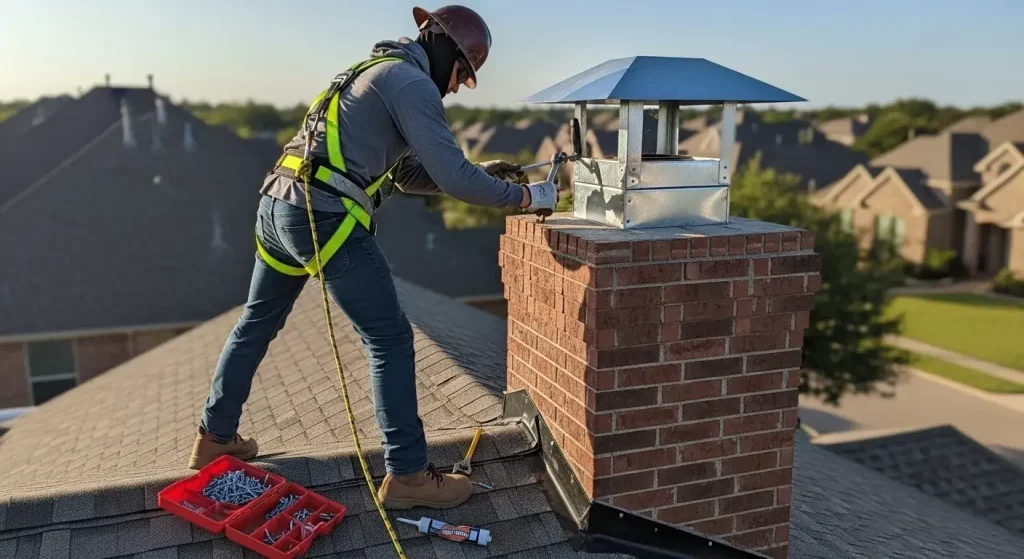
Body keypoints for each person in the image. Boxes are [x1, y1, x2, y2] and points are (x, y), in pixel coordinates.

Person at [188, 5, 557, 512]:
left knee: (257, 320)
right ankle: (408, 475)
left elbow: (410, 175)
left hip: (278, 206)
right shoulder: (412, 84)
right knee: (389, 337)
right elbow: (451, 179)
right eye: (461, 73)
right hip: (321, 215)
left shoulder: (373, 72)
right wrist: (527, 198)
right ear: (446, 47)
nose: (455, 87)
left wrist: (483, 172)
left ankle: (215, 436)